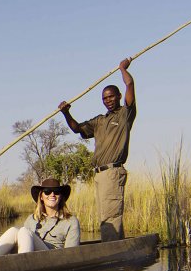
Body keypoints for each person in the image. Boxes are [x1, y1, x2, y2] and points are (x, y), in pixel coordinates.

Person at [57, 57, 136, 242]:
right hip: (99, 175)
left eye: (111, 96)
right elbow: (77, 128)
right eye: (104, 98)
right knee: (105, 217)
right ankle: (114, 248)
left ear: (117, 96)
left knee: (111, 216)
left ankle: (112, 252)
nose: (108, 100)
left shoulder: (125, 115)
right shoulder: (100, 121)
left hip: (113, 172)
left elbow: (130, 84)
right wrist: (66, 112)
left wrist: (122, 68)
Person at [0, 178, 80, 257]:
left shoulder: (71, 221)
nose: (52, 195)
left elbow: (71, 255)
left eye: (56, 192)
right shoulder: (32, 218)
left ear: (61, 196)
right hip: (33, 256)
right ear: (41, 196)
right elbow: (24, 241)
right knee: (14, 230)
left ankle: (23, 266)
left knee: (24, 231)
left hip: (53, 258)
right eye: (47, 192)